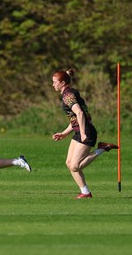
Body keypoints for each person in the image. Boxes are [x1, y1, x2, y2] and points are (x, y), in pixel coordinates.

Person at [52, 69, 118, 199]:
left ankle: (102, 148)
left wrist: (82, 133)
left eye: (54, 82)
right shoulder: (68, 92)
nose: (53, 85)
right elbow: (75, 119)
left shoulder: (68, 95)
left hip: (86, 131)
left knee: (75, 166)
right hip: (79, 130)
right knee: (69, 163)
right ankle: (85, 192)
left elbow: (80, 114)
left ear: (62, 83)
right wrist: (64, 133)